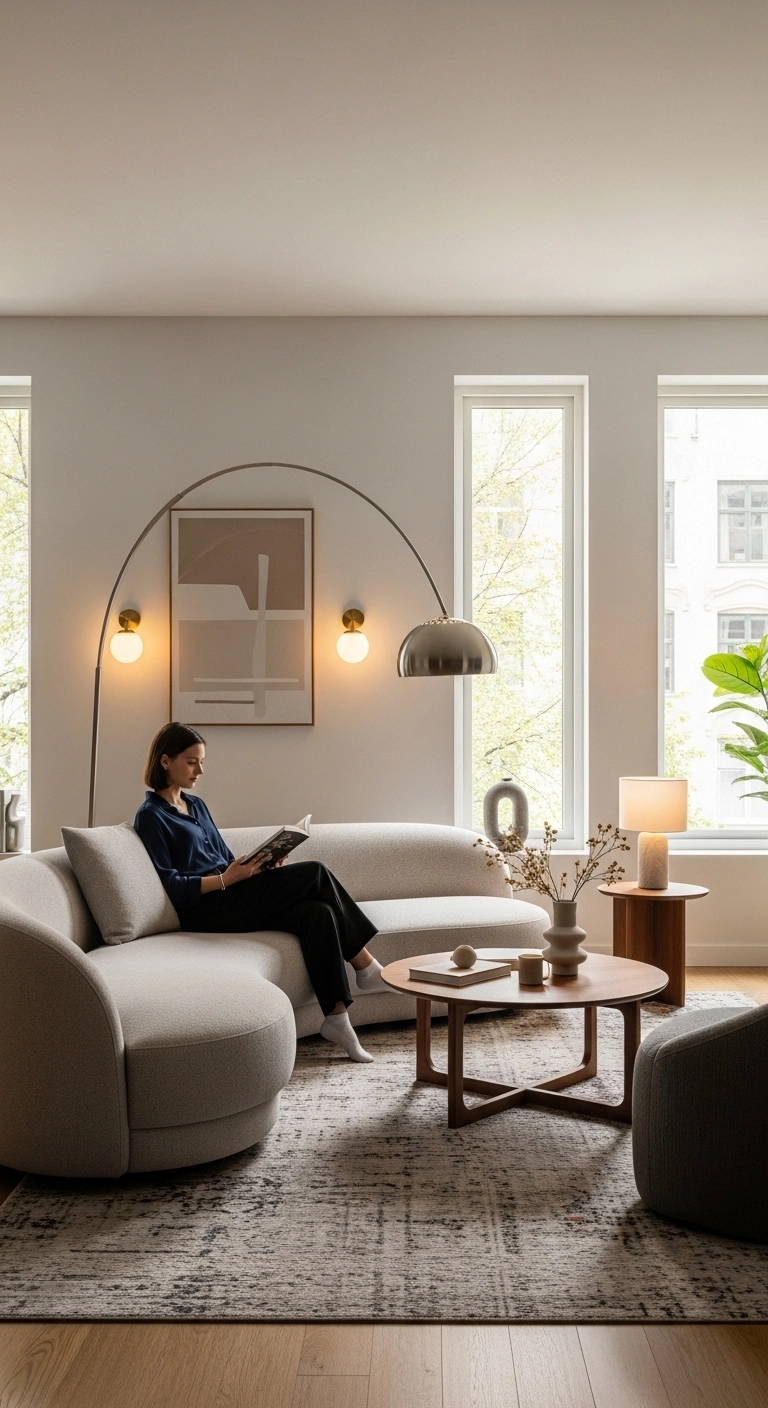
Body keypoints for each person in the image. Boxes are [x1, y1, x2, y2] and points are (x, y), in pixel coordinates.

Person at [134, 721, 387, 1062]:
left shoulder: (197, 806)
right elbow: (172, 885)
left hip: (231, 892)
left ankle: (338, 1018)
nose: (200, 770)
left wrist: (260, 865)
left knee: (318, 913)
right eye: (192, 762)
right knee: (315, 872)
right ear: (165, 761)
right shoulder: (150, 816)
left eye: (202, 761)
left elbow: (223, 859)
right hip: (205, 909)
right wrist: (227, 880)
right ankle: (366, 966)